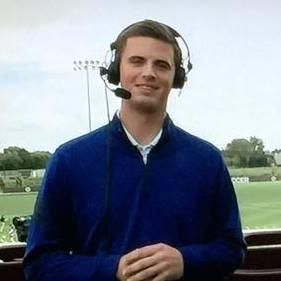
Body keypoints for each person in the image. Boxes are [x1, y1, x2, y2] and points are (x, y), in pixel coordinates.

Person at [23, 19, 246, 281]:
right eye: (137, 61)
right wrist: (113, 269)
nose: (149, 72)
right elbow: (39, 264)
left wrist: (184, 261)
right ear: (117, 71)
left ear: (177, 78)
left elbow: (232, 249)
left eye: (161, 65)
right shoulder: (69, 159)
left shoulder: (207, 159)